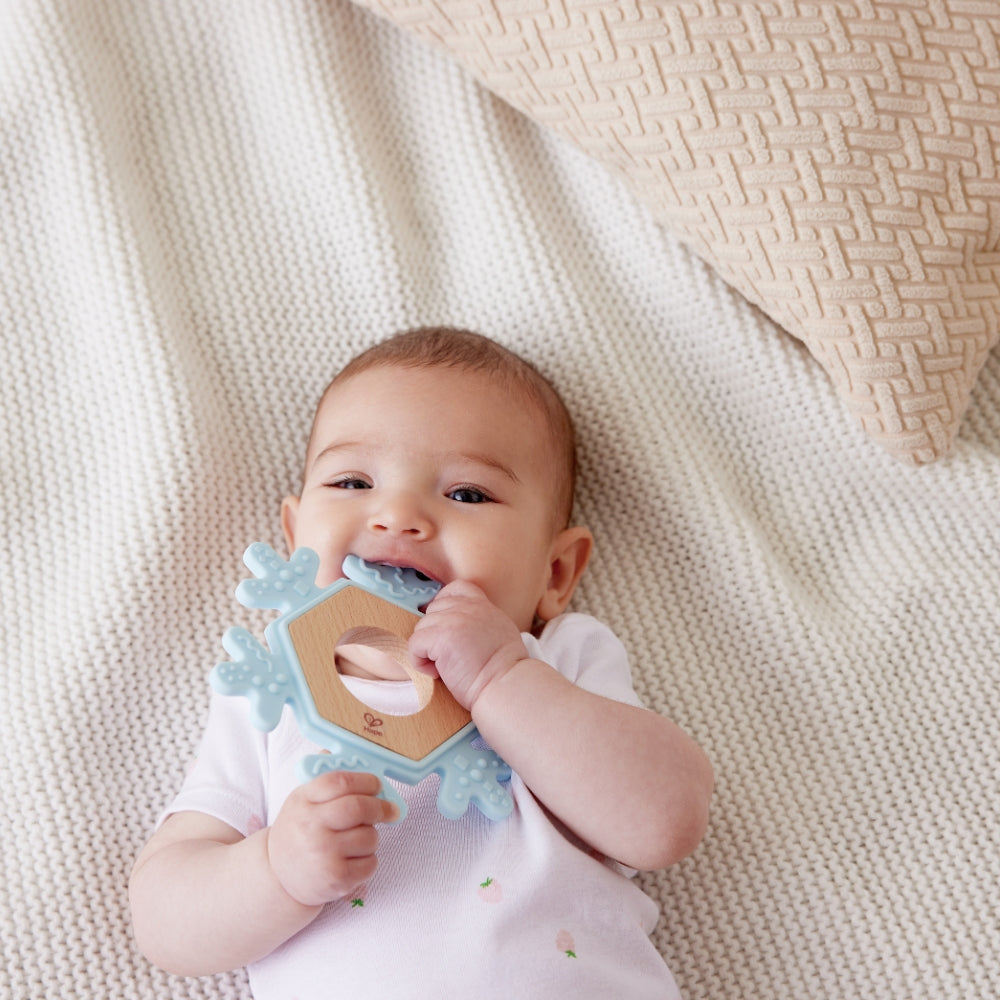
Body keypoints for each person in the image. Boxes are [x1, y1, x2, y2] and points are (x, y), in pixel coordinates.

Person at [129, 326, 714, 998]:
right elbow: (163, 919)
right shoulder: (270, 689)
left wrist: (500, 677)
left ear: (554, 572)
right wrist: (276, 871)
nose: (399, 516)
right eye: (353, 481)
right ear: (294, 537)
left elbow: (666, 820)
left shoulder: (558, 661)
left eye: (467, 494)